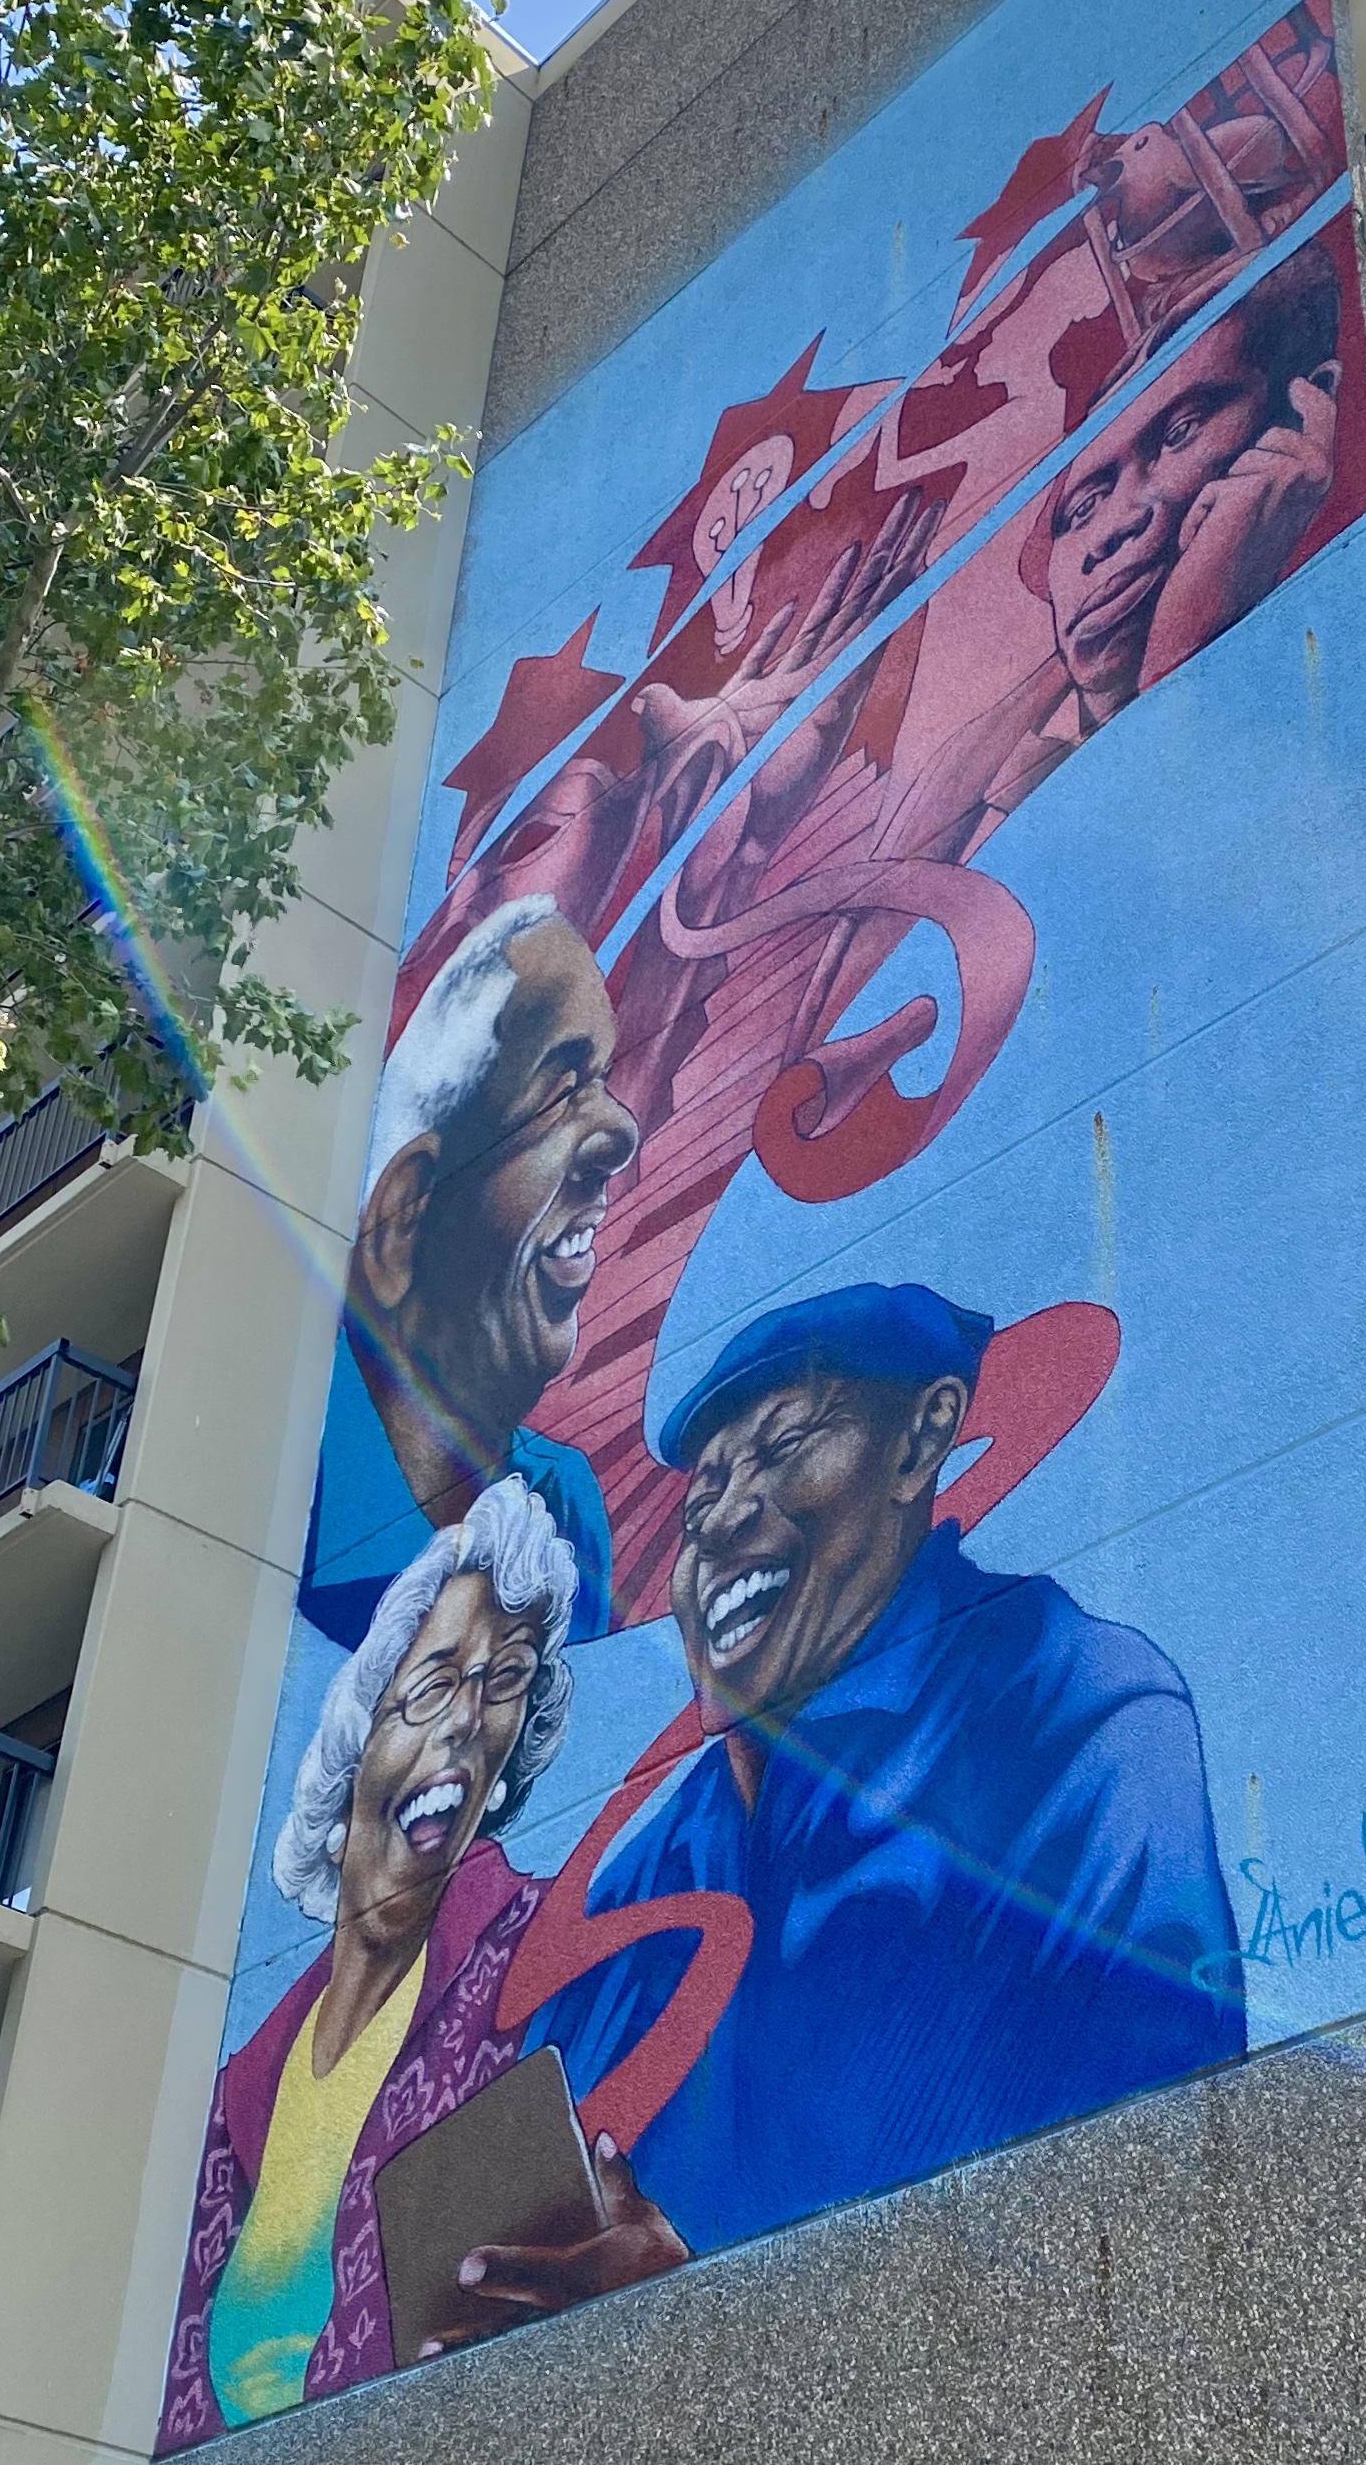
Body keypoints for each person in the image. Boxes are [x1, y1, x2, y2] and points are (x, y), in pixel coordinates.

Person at [431, 1284, 1242, 2329]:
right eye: (702, 1492)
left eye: (783, 1447)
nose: (722, 1514)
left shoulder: (1075, 1716)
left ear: (922, 1438)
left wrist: (685, 2320)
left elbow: (1146, 2209)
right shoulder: (646, 1878)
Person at [157, 1482, 677, 2446]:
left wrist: (675, 2307)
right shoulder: (233, 2101)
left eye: (506, 1680)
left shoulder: (555, 1959)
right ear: (356, 1736)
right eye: (434, 1682)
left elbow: (651, 2224)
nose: (468, 1718)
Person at [301, 898, 639, 1648]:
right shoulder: (287, 1482)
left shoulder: (563, 1503)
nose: (621, 1129)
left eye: (603, 1080)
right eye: (561, 1092)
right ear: (403, 1216)